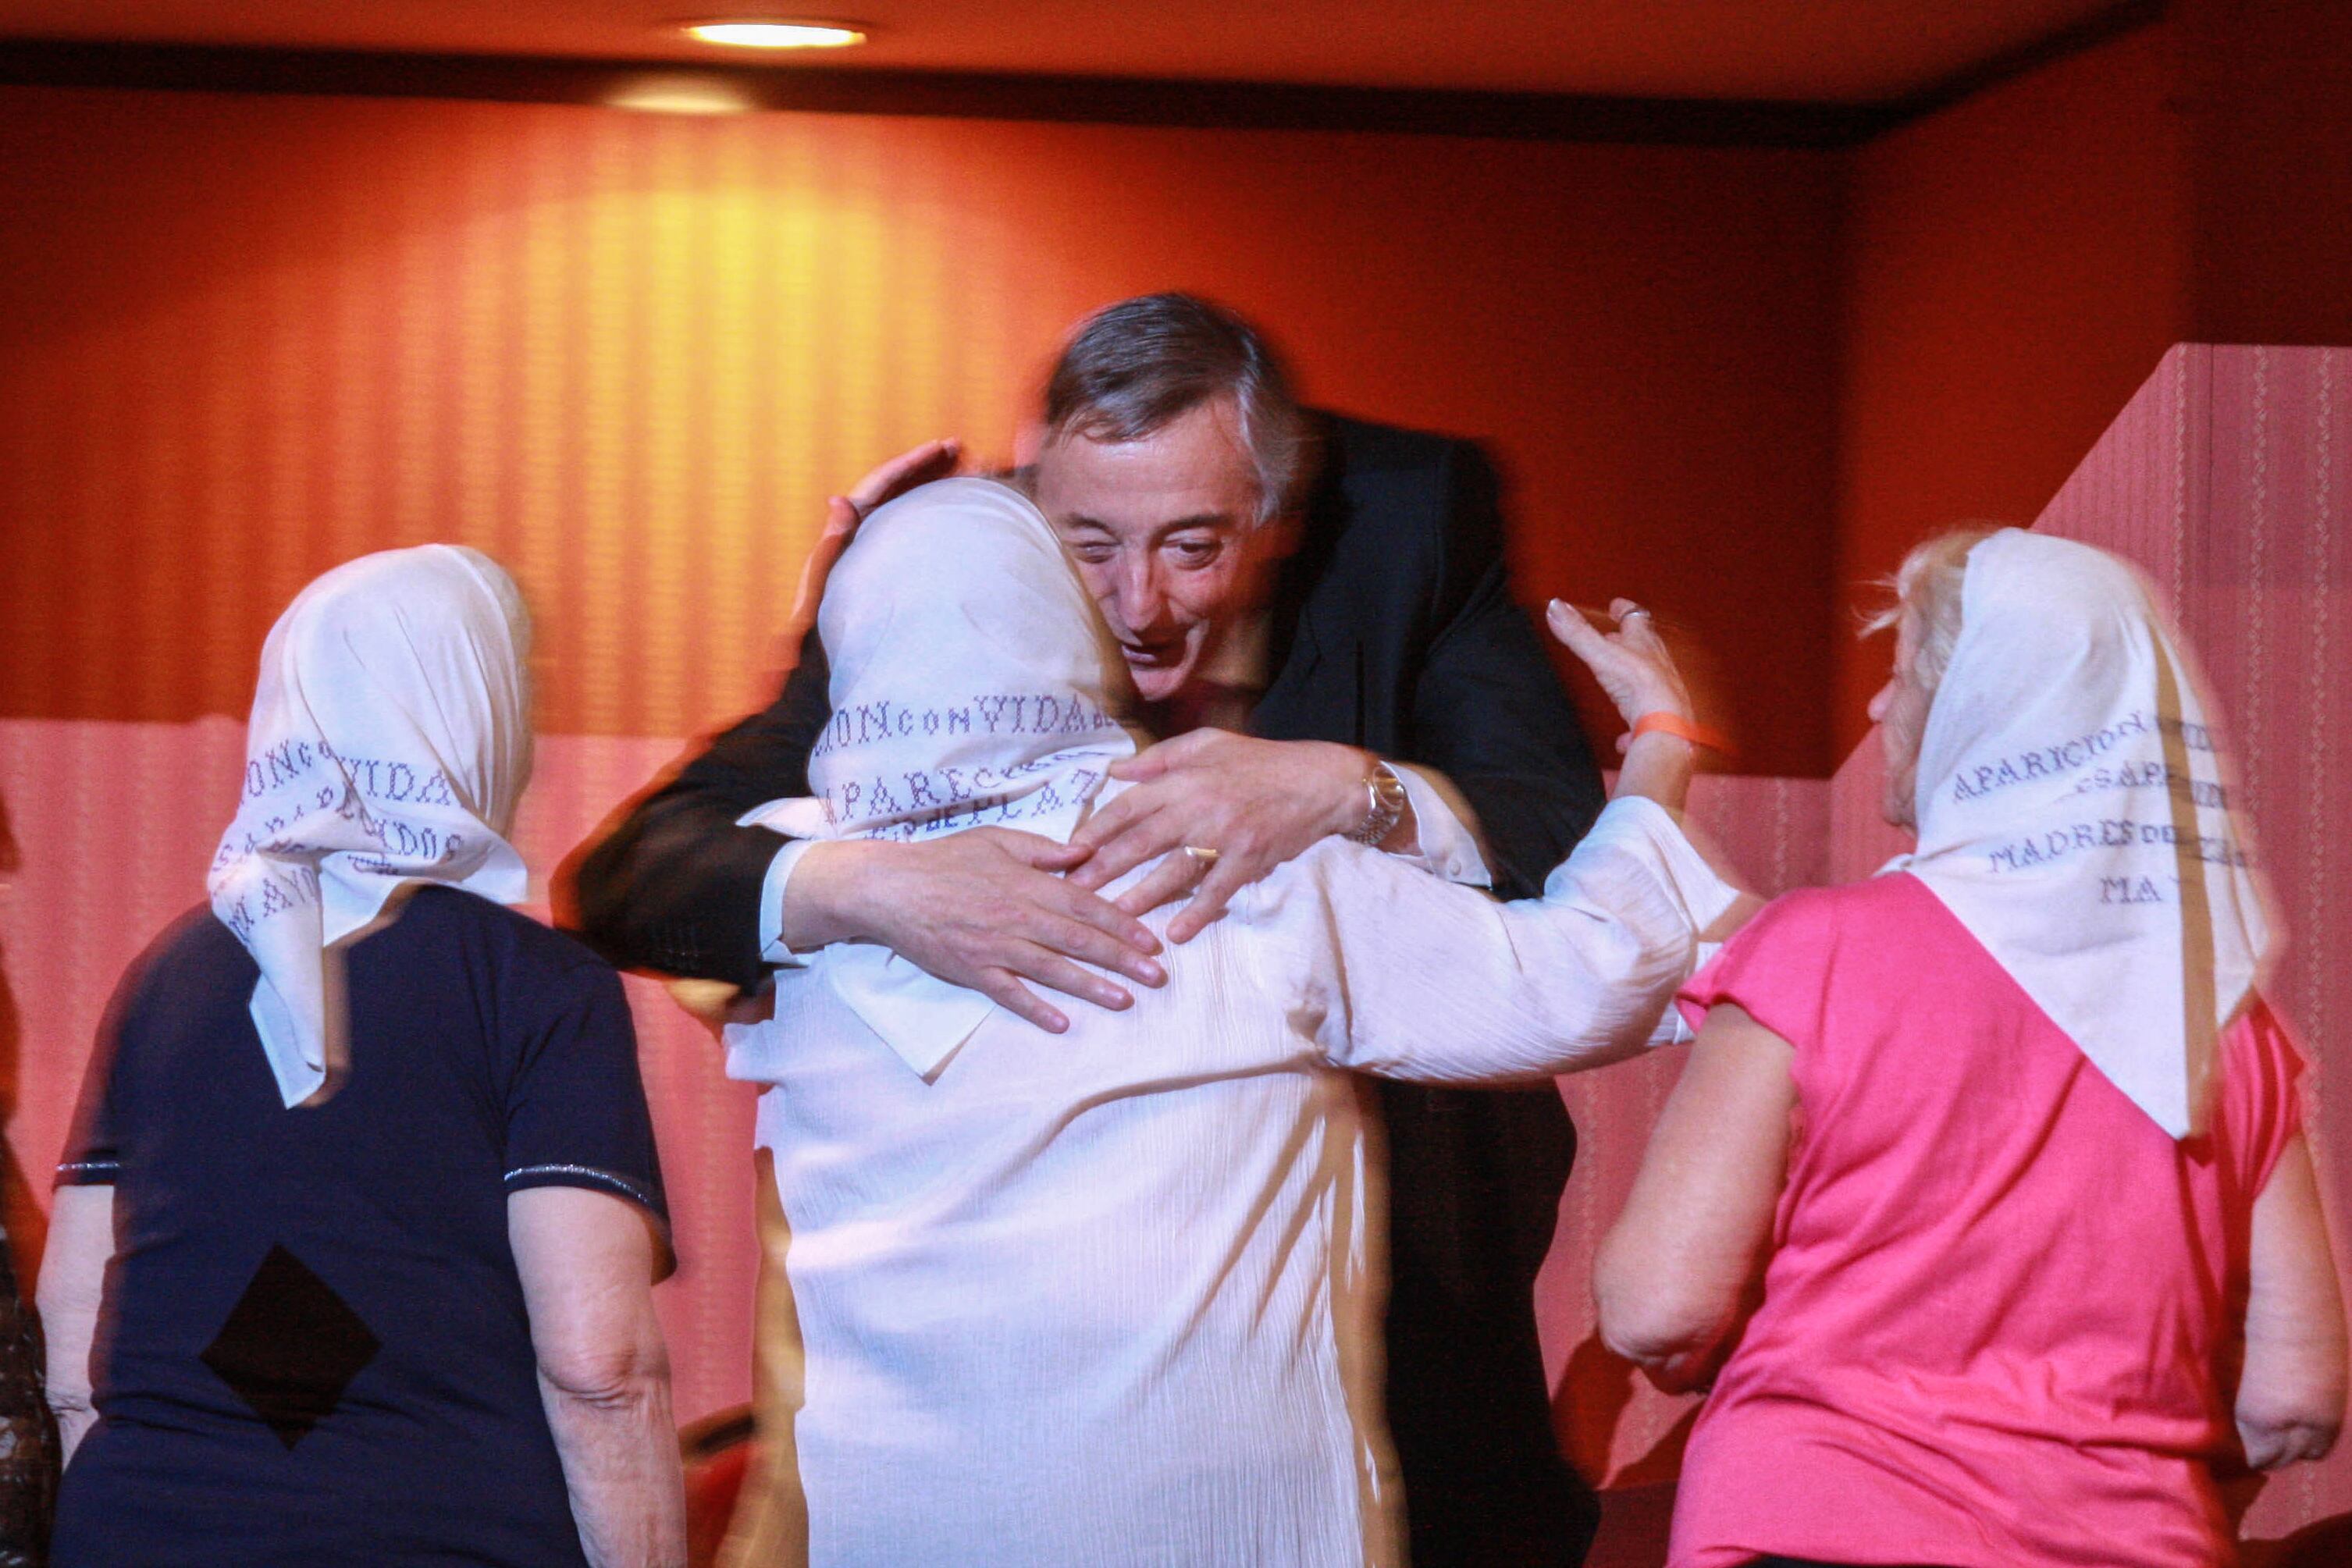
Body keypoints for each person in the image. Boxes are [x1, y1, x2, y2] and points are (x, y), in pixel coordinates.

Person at [572, 293, 1615, 1564]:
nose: (1138, 603)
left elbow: (1558, 830)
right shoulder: (949, 578)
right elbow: (638, 871)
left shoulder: (1408, 529)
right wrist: (863, 887)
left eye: (1192, 546)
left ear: (1276, 520)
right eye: (1088, 544)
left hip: (1396, 1252)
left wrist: (1351, 787)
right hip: (983, 1344)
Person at [720, 475, 1739, 1565]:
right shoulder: (1241, 877)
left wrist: (816, 627)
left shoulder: (789, 908)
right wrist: (1659, 745)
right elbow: (1592, 975)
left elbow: (678, 868)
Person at [1595, 528, 2348, 1567]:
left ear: (1973, 710)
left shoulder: (1813, 950)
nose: (1875, 708)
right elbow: (2292, 1400)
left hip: (1807, 1528)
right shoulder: (2227, 1020)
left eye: (1901, 677)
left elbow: (1655, 1305)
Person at [38, 546, 687, 1568]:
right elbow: (598, 1366)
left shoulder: (162, 977)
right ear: (472, 712)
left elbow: (75, 1343)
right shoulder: (536, 984)